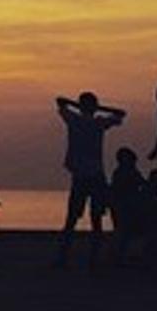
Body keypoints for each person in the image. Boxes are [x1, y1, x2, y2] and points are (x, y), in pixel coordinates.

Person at [53, 90, 126, 267]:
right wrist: (95, 108)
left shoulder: (75, 120)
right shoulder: (98, 122)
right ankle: (91, 259)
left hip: (83, 176)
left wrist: (82, 107)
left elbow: (60, 102)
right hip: (93, 176)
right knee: (95, 219)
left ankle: (66, 258)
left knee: (73, 219)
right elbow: (120, 115)